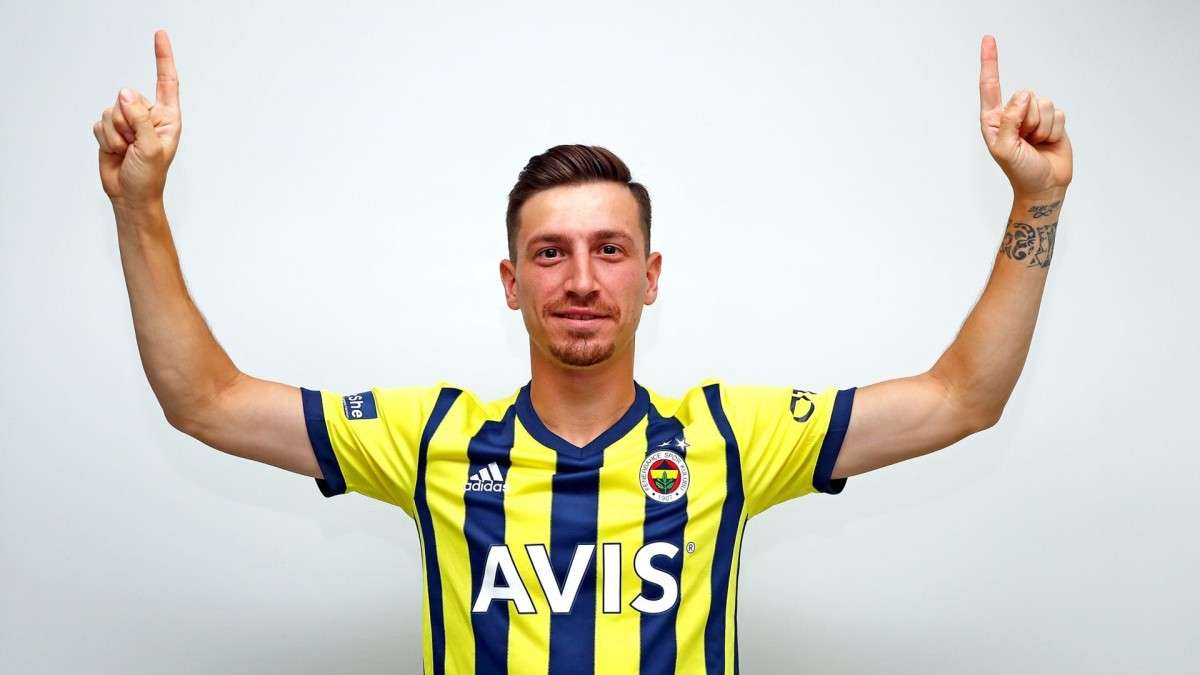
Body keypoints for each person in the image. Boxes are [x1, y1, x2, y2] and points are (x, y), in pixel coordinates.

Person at [93, 28, 1071, 675]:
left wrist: (1037, 201)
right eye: (550, 253)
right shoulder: (432, 437)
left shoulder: (728, 436)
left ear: (650, 275)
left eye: (610, 250)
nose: (581, 279)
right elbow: (205, 399)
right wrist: (140, 207)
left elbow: (963, 397)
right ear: (512, 281)